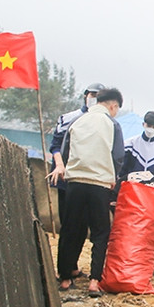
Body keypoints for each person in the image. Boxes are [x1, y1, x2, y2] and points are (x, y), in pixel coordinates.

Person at [55, 88, 125, 297]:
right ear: (113, 106)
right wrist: (112, 176)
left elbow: (65, 151)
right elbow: (118, 156)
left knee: (69, 229)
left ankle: (66, 278)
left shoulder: (77, 121)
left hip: (75, 183)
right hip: (100, 184)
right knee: (100, 233)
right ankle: (95, 281)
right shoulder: (112, 124)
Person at [47, 82, 104, 279]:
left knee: (83, 228)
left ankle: (72, 266)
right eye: (92, 94)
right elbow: (55, 146)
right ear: (86, 95)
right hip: (67, 179)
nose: (94, 98)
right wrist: (60, 166)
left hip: (90, 180)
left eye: (99, 95)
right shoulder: (69, 118)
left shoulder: (104, 122)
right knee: (70, 226)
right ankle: (65, 271)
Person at [118, 111, 154, 268]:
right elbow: (122, 170)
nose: (150, 129)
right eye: (148, 125)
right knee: (130, 224)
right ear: (143, 124)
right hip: (132, 190)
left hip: (153, 192)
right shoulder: (130, 143)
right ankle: (129, 257)